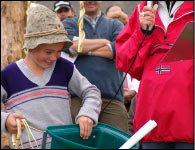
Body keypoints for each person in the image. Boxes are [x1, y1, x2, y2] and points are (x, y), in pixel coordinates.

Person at [1, 3, 102, 149]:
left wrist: (87, 114)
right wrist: (5, 120)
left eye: (59, 51)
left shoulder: (65, 68)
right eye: (48, 52)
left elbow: (91, 91)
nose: (54, 57)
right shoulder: (8, 75)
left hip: (63, 145)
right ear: (31, 46)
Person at [115, 1, 194, 149]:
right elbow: (124, 62)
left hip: (188, 121)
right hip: (151, 122)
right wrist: (142, 32)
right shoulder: (143, 9)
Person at [62, 1, 129, 133]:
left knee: (118, 143)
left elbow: (118, 49)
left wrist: (84, 50)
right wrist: (105, 42)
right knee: (80, 144)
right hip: (78, 98)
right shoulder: (69, 24)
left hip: (112, 98)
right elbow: (71, 45)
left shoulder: (115, 24)